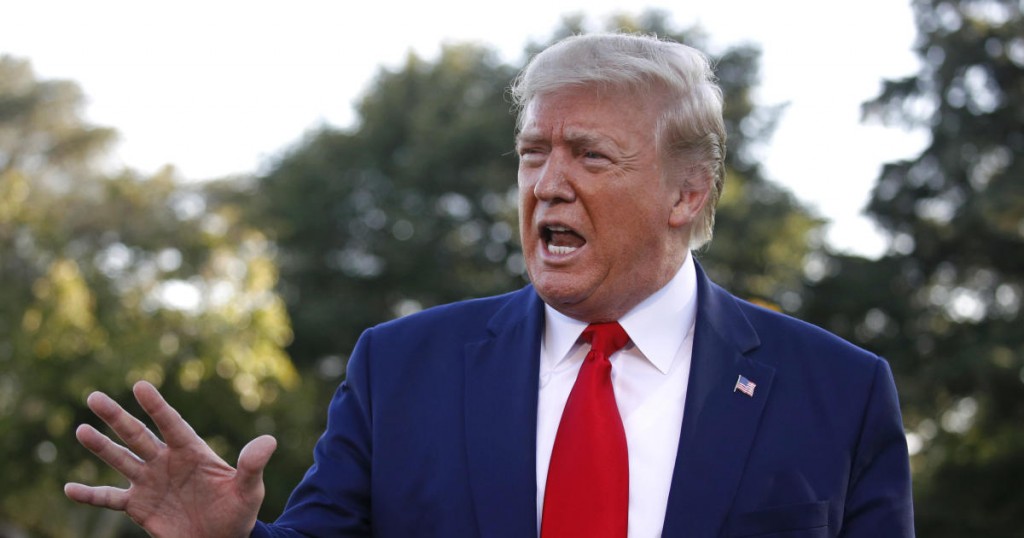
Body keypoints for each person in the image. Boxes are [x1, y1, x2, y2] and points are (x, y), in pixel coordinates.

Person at [65, 33, 915, 537]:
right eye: (532, 153)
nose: (547, 182)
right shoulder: (401, 369)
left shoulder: (837, 393)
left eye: (589, 155)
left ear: (685, 194)